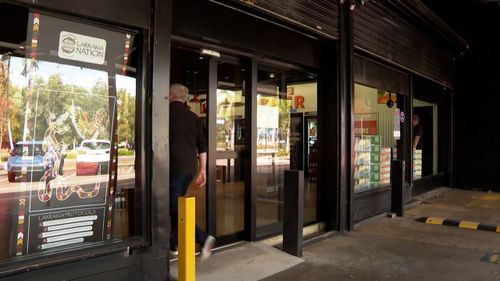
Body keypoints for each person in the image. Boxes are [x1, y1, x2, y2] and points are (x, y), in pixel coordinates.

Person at [169, 83, 215, 259]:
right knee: (176, 203)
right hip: (189, 168)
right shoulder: (194, 117)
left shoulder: (166, 115)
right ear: (186, 98)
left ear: (171, 95)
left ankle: (203, 238)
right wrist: (203, 170)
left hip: (173, 168)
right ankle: (173, 244)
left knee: (174, 207)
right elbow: (202, 146)